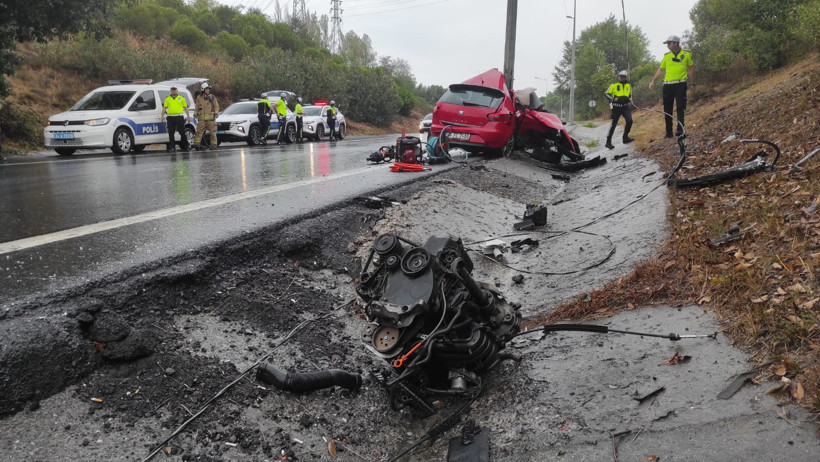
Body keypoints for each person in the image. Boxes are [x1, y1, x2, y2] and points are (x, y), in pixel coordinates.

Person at [649, 35, 695, 138]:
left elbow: (691, 69)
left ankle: (680, 130)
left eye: (669, 43)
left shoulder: (686, 54)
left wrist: (692, 83)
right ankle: (668, 132)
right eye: (667, 44)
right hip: (668, 85)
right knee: (667, 109)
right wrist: (653, 81)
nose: (667, 46)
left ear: (675, 43)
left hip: (680, 84)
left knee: (680, 107)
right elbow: (660, 70)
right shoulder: (666, 56)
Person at [604, 70, 634, 149]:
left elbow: (629, 94)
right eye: (620, 76)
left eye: (623, 76)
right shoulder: (614, 85)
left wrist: (630, 98)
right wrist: (613, 99)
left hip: (625, 107)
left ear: (626, 77)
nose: (621, 77)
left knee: (629, 120)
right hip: (616, 107)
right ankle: (608, 142)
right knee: (614, 124)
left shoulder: (628, 85)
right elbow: (606, 93)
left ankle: (625, 138)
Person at [160, 86, 191, 152]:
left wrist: (188, 116)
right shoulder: (167, 99)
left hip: (179, 116)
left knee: (182, 132)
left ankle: (185, 145)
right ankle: (172, 147)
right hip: (170, 117)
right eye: (172, 90)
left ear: (177, 90)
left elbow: (185, 108)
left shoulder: (181, 98)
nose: (174, 91)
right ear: (170, 91)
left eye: (175, 90)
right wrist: (162, 116)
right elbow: (164, 108)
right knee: (171, 133)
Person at [193, 84, 220, 150]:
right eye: (206, 89)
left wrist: (216, 112)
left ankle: (213, 146)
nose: (208, 90)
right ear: (203, 89)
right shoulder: (199, 97)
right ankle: (196, 144)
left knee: (212, 133)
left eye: (208, 89)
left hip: (210, 119)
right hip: (201, 119)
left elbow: (216, 106)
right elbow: (197, 107)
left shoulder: (212, 97)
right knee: (199, 132)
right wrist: (195, 113)